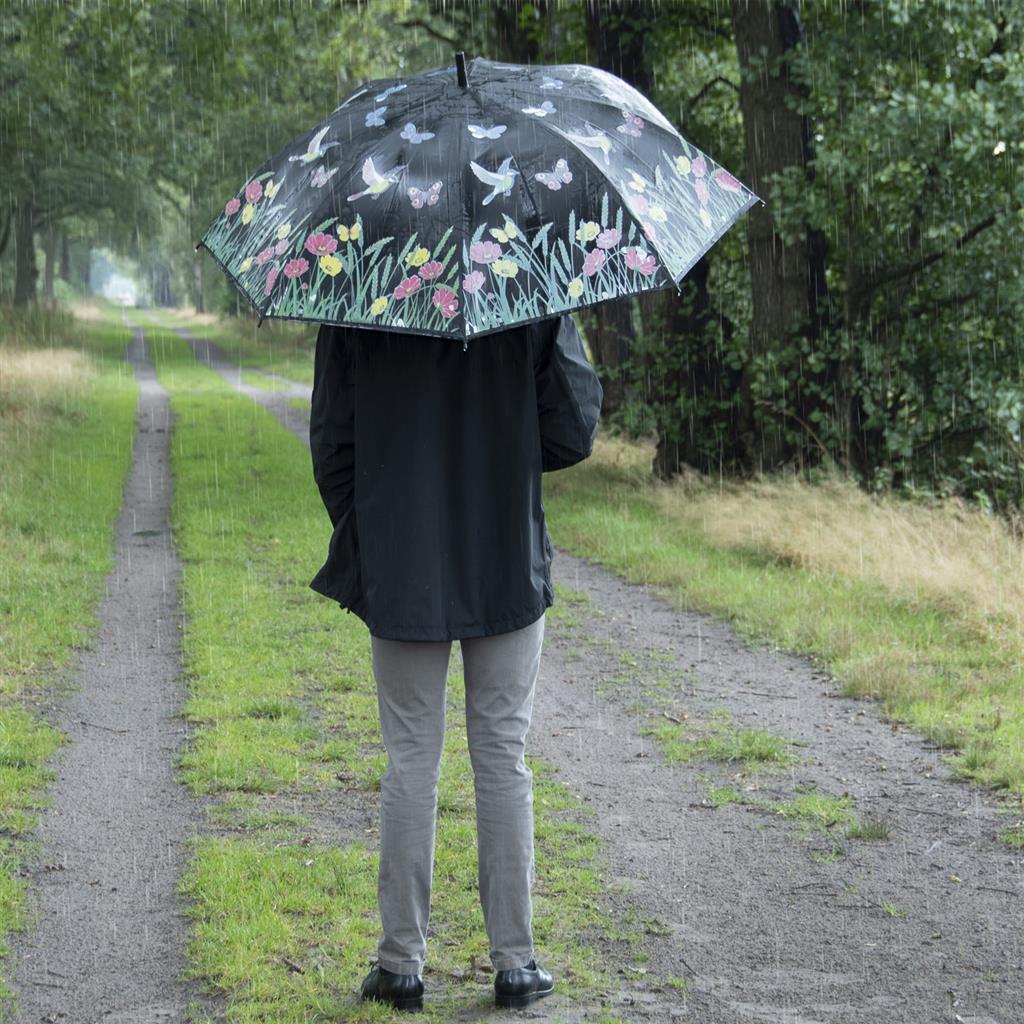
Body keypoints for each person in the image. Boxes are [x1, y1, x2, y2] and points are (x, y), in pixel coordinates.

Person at [308, 312, 603, 1012]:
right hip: (504, 550)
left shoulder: (361, 284)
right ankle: (516, 963)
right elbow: (574, 425)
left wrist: (374, 522)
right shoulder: (527, 280)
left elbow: (332, 439)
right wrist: (505, 450)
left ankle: (401, 966)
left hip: (401, 552)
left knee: (411, 756)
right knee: (502, 754)